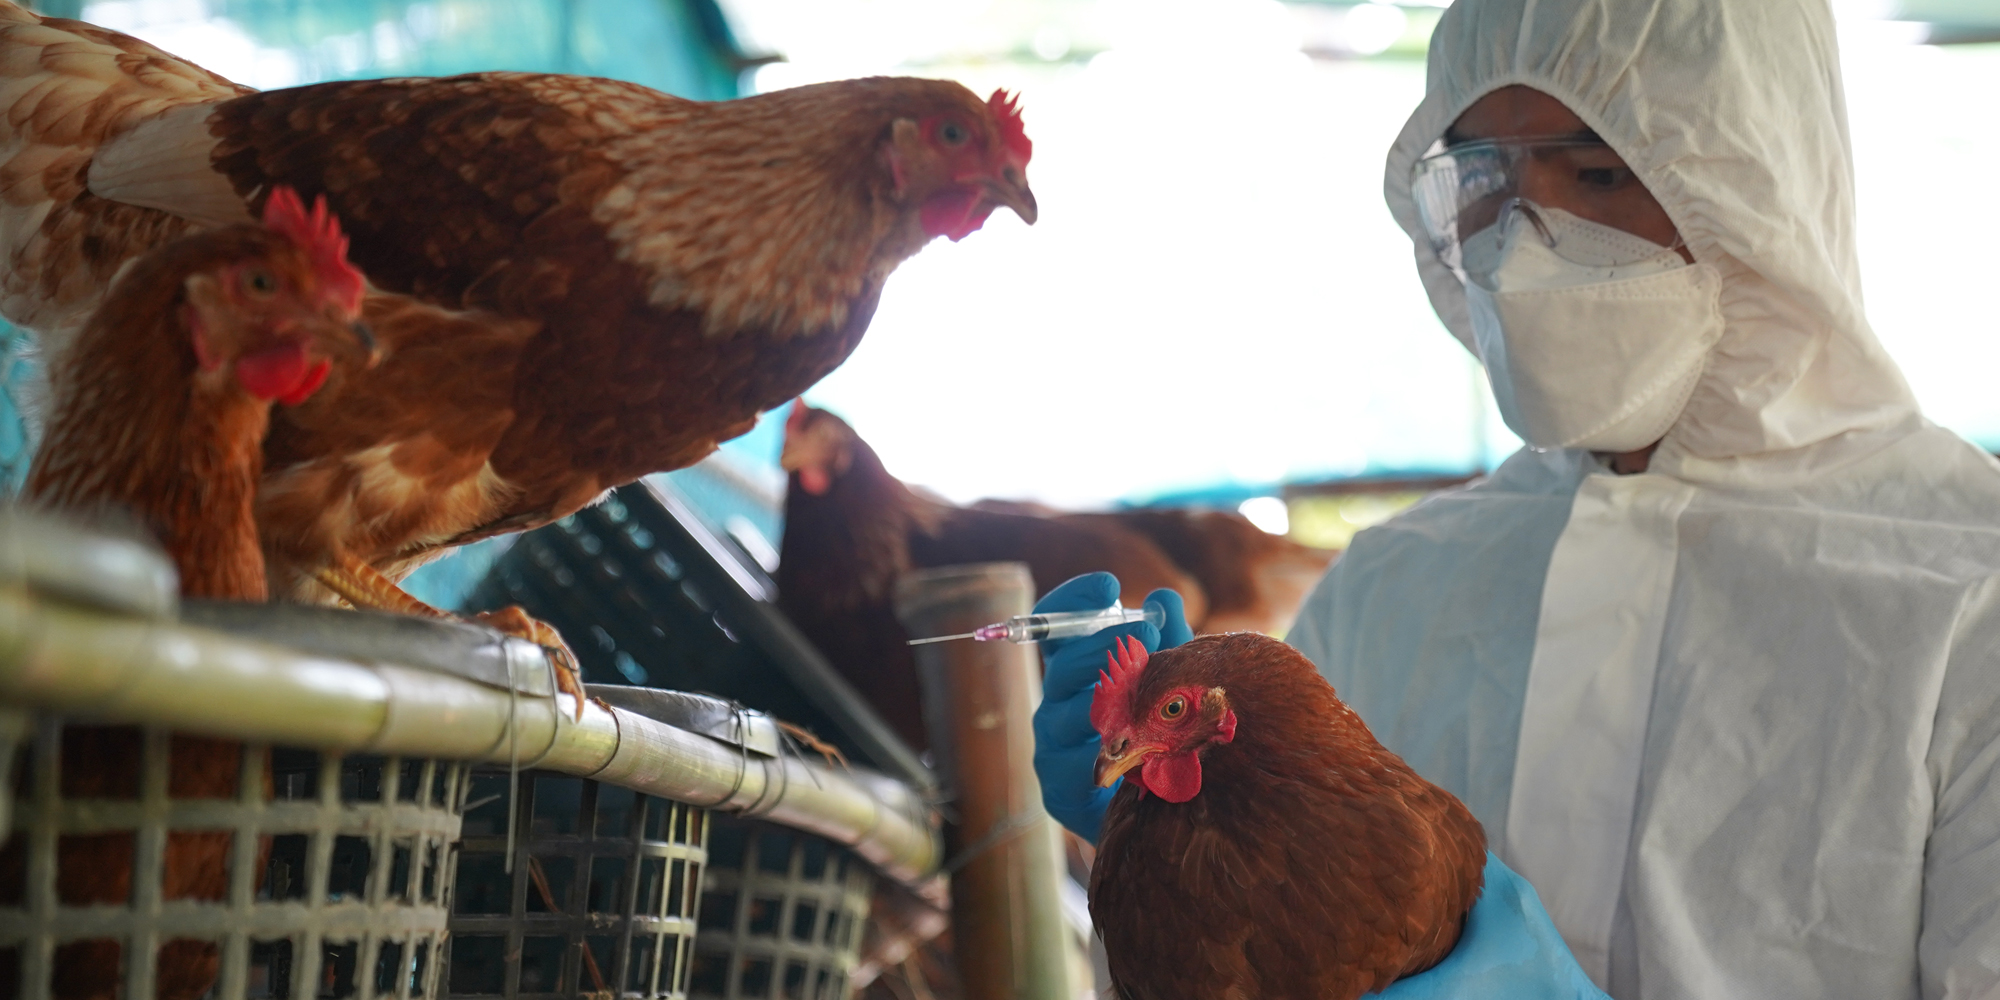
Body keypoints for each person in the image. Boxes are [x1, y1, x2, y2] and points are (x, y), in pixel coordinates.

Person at [1032, 0, 2000, 996]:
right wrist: (1174, 844)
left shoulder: (1967, 595)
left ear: (1756, 182)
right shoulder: (1392, 583)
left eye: (1593, 173)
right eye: (1482, 179)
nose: (1513, 243)